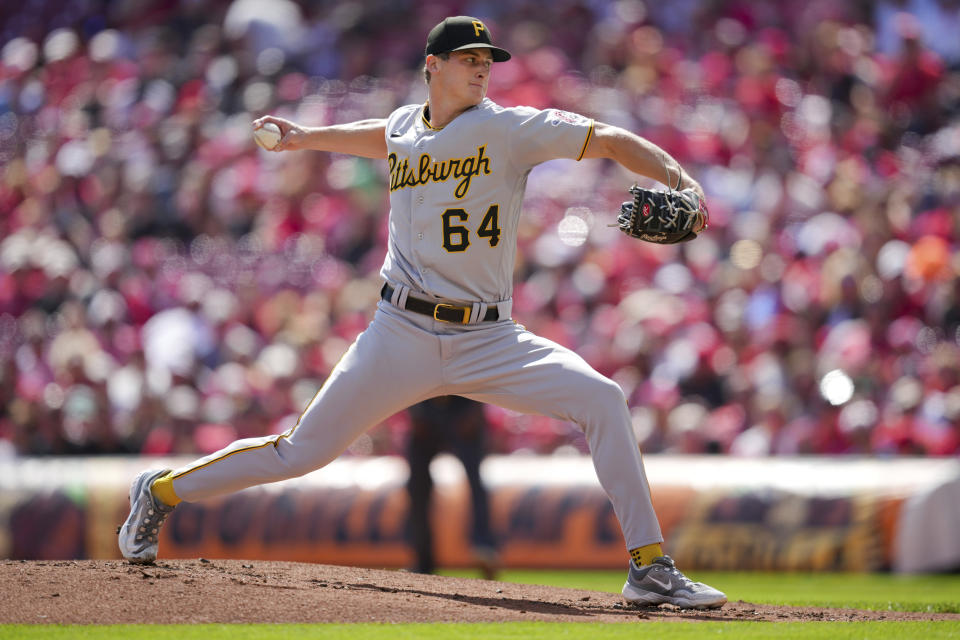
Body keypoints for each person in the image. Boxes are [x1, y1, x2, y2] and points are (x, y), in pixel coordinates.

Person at [118, 15, 725, 609]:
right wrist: (307, 137)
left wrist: (682, 182)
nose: (482, 70)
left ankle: (651, 569)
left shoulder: (511, 128)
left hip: (490, 337)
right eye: (470, 60)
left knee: (602, 399)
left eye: (487, 62)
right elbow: (384, 134)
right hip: (400, 331)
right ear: (432, 66)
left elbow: (612, 140)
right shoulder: (407, 124)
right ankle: (162, 489)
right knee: (301, 452)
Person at [405, 396, 498, 578]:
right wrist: (416, 413)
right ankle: (423, 559)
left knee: (476, 483)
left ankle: (484, 548)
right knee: (417, 486)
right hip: (427, 406)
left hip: (462, 405)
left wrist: (474, 411)